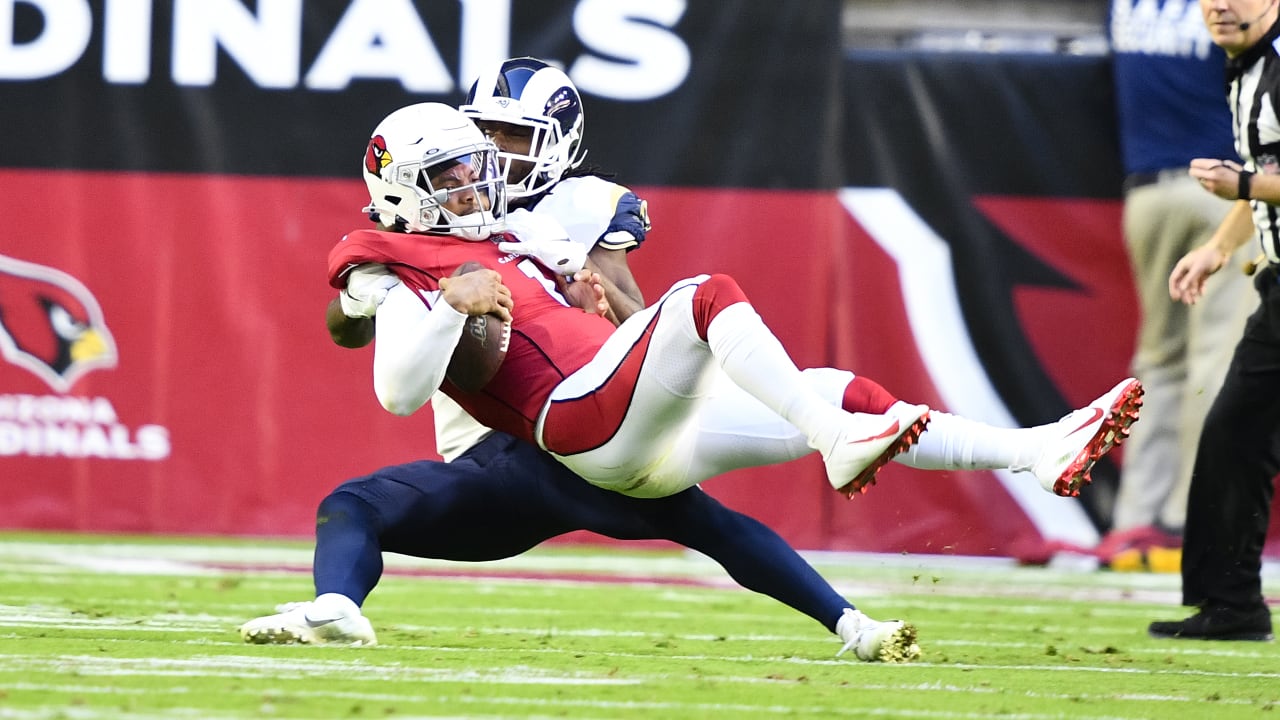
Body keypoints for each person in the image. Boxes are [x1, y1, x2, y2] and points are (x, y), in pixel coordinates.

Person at [243, 60, 918, 662]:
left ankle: (854, 620)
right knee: (700, 517)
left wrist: (587, 297)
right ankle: (335, 608)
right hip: (518, 452)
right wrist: (433, 303)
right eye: (451, 179)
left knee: (705, 517)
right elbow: (373, 354)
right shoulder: (392, 259)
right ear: (405, 191)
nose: (477, 186)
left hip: (552, 439)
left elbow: (617, 304)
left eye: (474, 169)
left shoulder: (525, 231)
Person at [1101, 0, 1260, 571]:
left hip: (1145, 190)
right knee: (1216, 361)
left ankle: (1133, 522)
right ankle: (1186, 521)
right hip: (1222, 189)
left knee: (1158, 362)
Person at [1148, 0, 1280, 642]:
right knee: (1237, 433)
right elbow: (1266, 175)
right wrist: (1218, 247)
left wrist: (1246, 188)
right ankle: (1231, 603)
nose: (1222, 6)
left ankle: (1232, 602)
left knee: (1238, 431)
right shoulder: (1246, 65)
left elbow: (1259, 180)